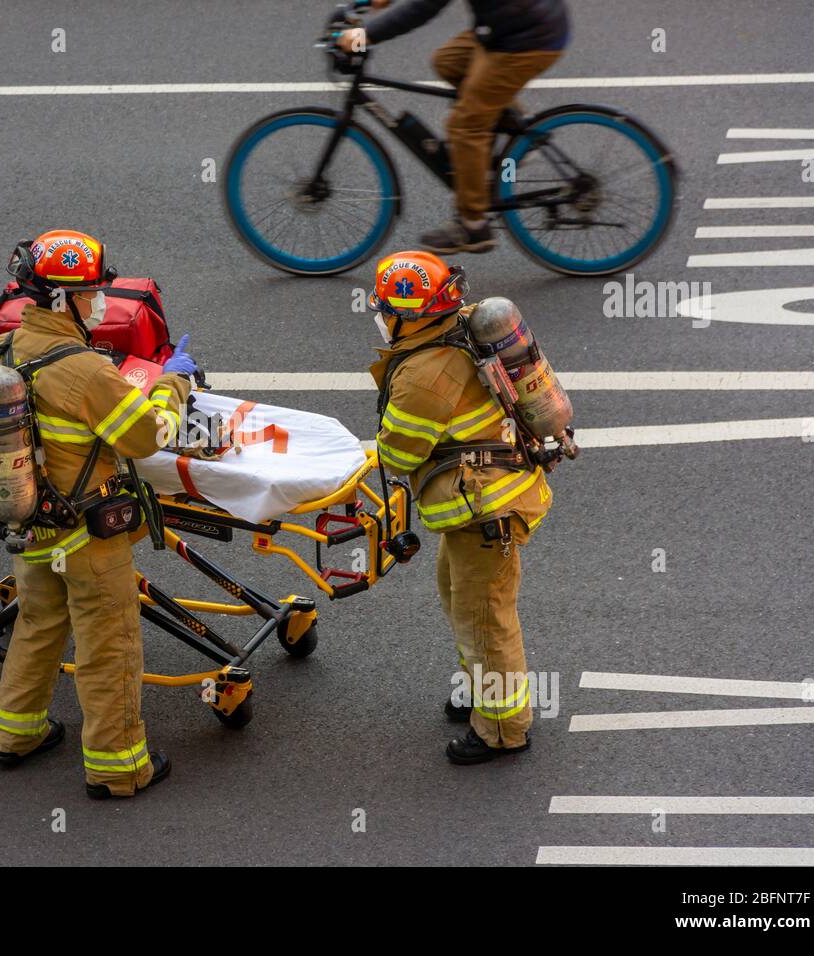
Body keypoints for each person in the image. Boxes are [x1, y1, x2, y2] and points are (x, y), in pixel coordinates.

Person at [0, 229, 198, 799]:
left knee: (39, 624)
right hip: (89, 536)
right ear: (60, 300)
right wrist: (176, 383)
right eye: (92, 292)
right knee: (110, 645)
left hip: (33, 524)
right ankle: (118, 768)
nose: (101, 300)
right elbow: (146, 436)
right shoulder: (85, 371)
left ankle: (16, 736)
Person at [366, 250, 551, 764]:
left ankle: (502, 730)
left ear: (408, 313)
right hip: (483, 500)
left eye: (385, 308)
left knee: (485, 620)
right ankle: (480, 692)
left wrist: (373, 447)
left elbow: (400, 453)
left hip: (485, 513)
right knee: (458, 596)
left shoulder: (424, 373)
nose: (380, 317)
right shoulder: (462, 326)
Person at [339, 0, 570, 254]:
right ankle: (515, 130)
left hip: (527, 39)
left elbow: (422, 8)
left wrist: (364, 36)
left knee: (464, 126)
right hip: (509, 26)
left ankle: (473, 226)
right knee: (448, 61)